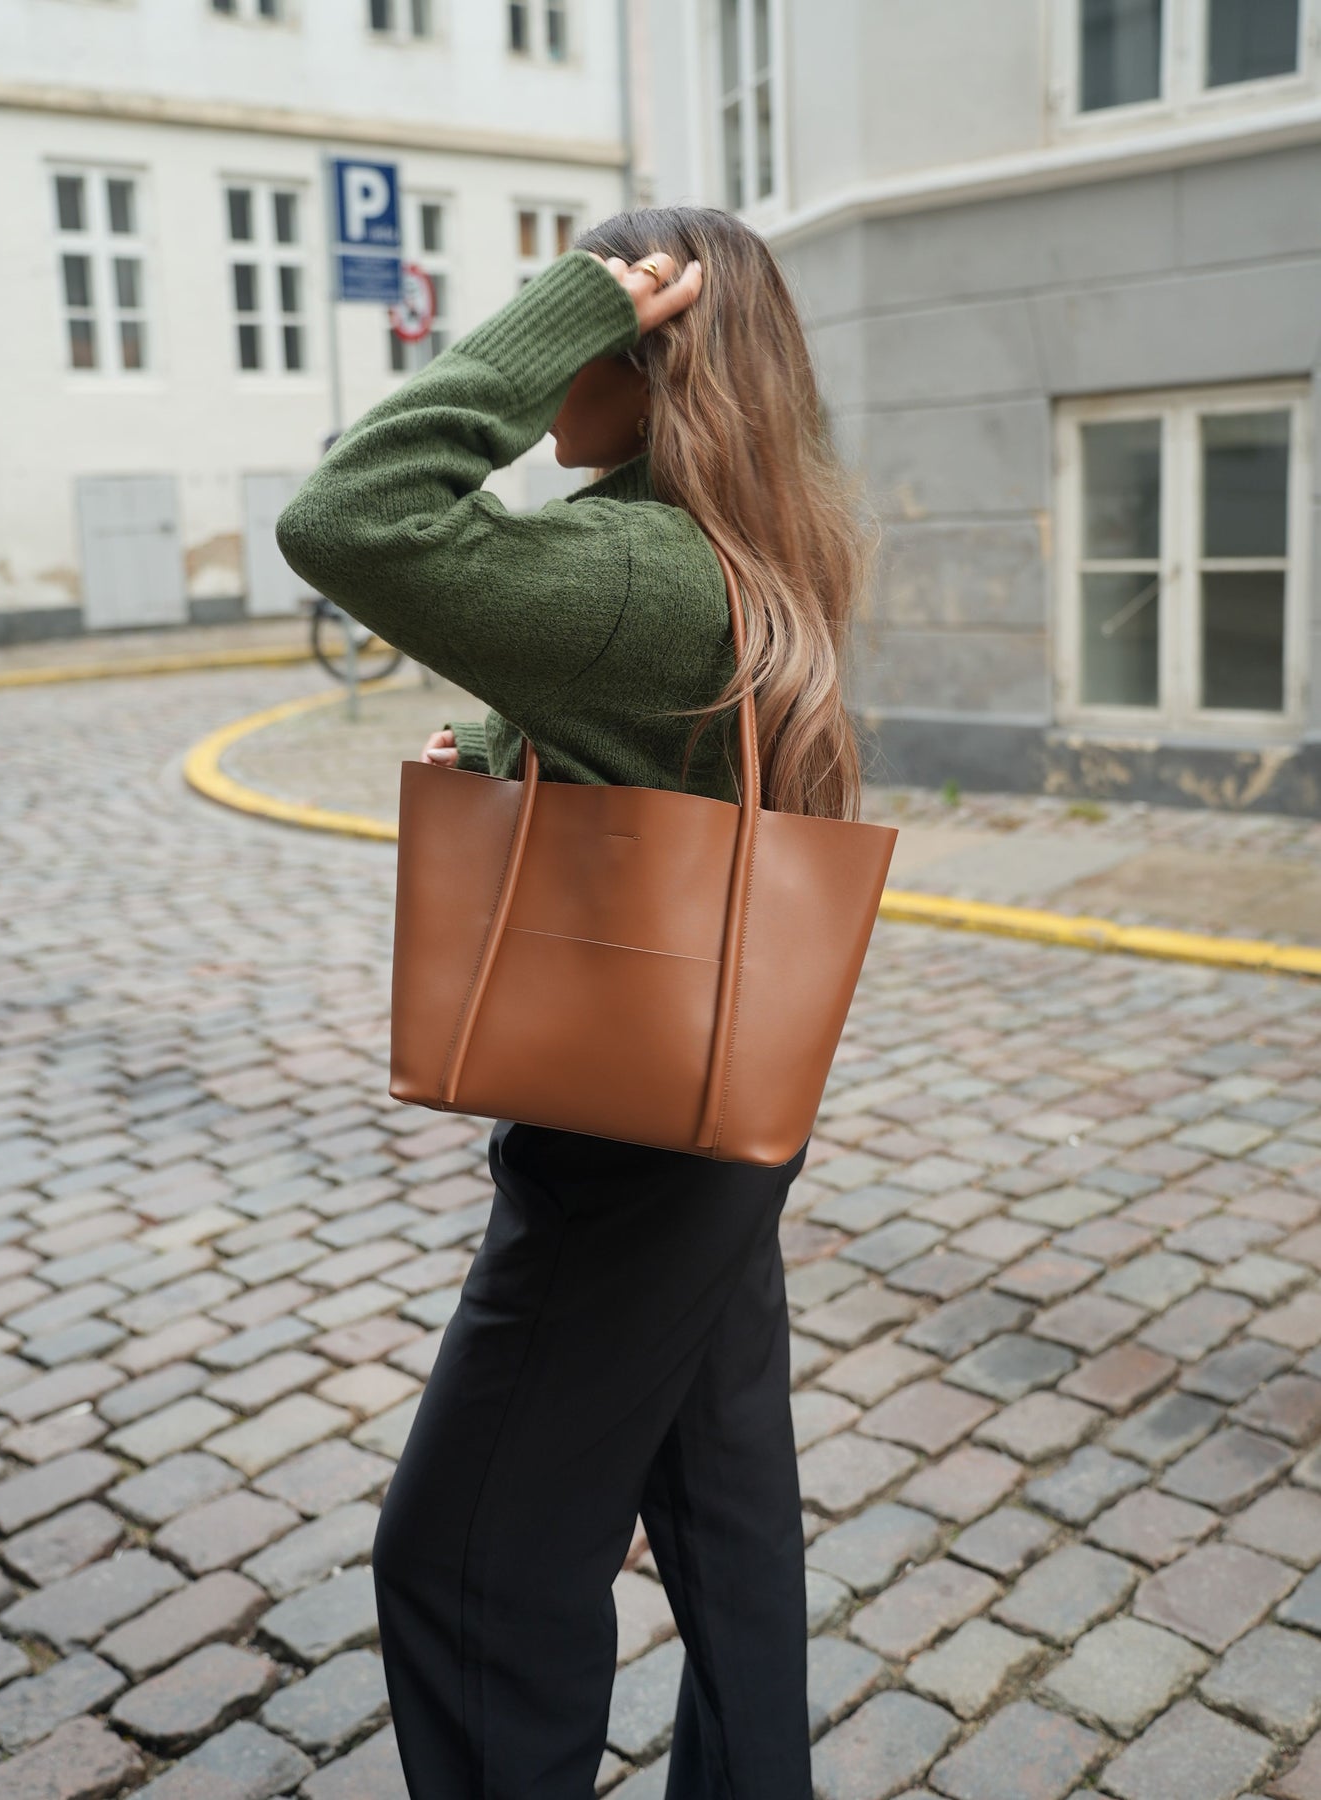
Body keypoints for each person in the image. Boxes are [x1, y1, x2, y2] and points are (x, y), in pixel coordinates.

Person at [274, 205, 869, 1800]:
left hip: (625, 1148)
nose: (546, 380)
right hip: (726, 1112)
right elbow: (668, 762)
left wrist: (548, 316)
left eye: (576, 336)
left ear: (641, 357)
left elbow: (349, 516)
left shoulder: (634, 565)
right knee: (724, 1516)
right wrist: (492, 757)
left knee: (462, 1563)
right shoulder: (744, 551)